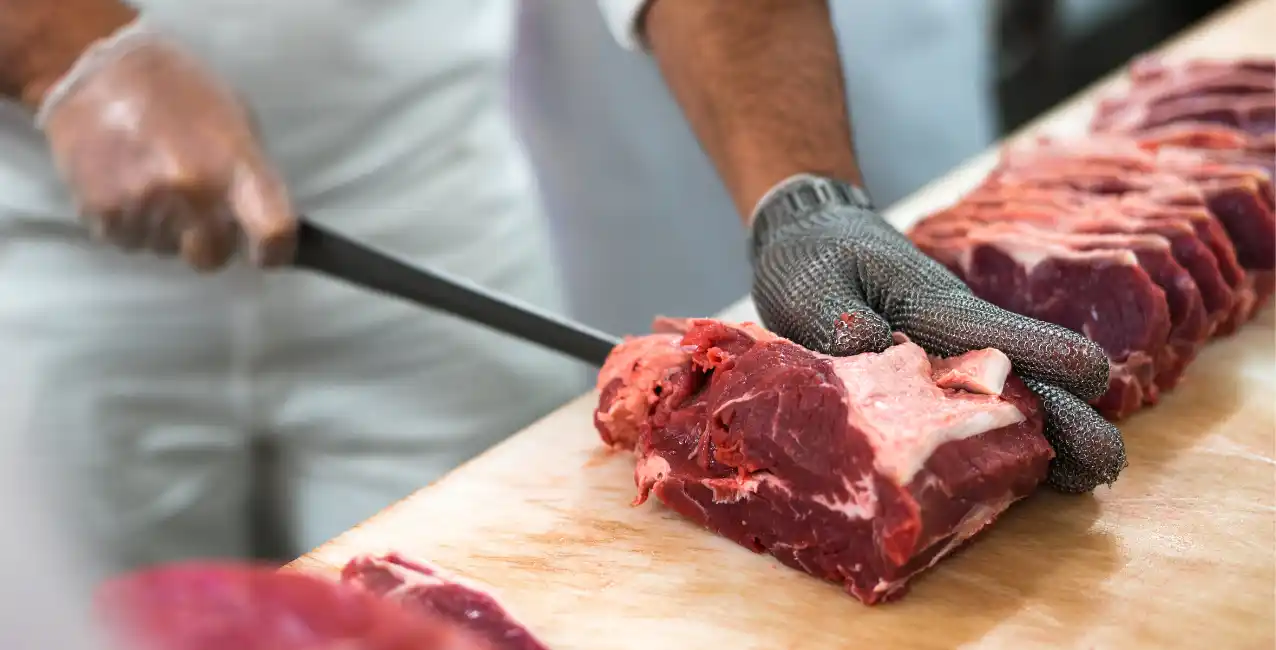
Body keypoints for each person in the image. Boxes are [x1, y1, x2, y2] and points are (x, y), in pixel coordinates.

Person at [0, 0, 1125, 584]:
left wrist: (803, 196)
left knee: (487, 593)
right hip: (49, 251)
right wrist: (68, 59)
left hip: (421, 191)